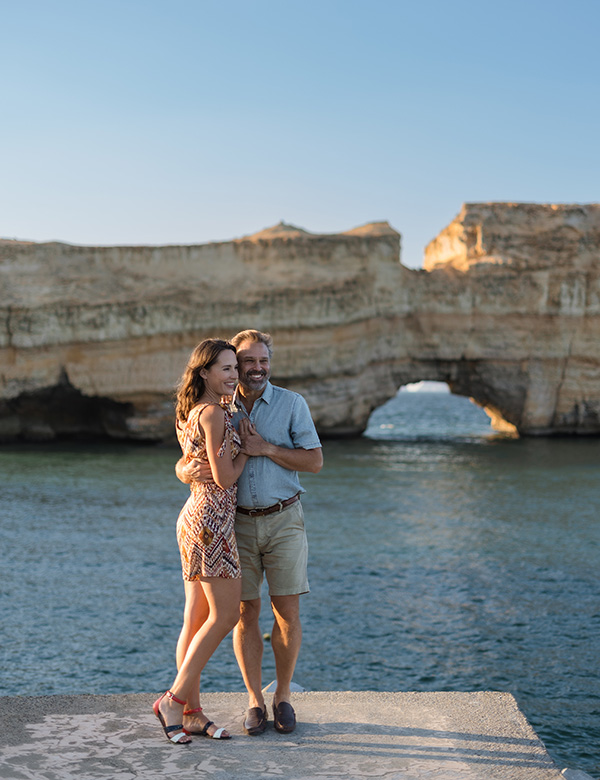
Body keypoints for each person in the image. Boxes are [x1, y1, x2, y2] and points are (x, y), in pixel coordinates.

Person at [177, 329, 323, 736]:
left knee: (287, 612)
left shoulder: (292, 404)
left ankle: (284, 697)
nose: (256, 368)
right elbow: (191, 457)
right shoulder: (218, 405)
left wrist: (266, 448)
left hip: (284, 520)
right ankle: (255, 700)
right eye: (247, 362)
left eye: (263, 361)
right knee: (244, 613)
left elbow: (314, 462)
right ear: (232, 367)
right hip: (234, 523)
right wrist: (182, 470)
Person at [153, 338, 249, 744]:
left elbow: (193, 464)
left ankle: (191, 713)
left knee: (195, 619)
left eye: (235, 368)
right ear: (205, 372)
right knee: (226, 616)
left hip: (197, 516)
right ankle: (173, 701)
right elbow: (225, 476)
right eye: (225, 368)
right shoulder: (214, 415)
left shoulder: (194, 411)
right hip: (211, 521)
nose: (233, 375)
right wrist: (252, 450)